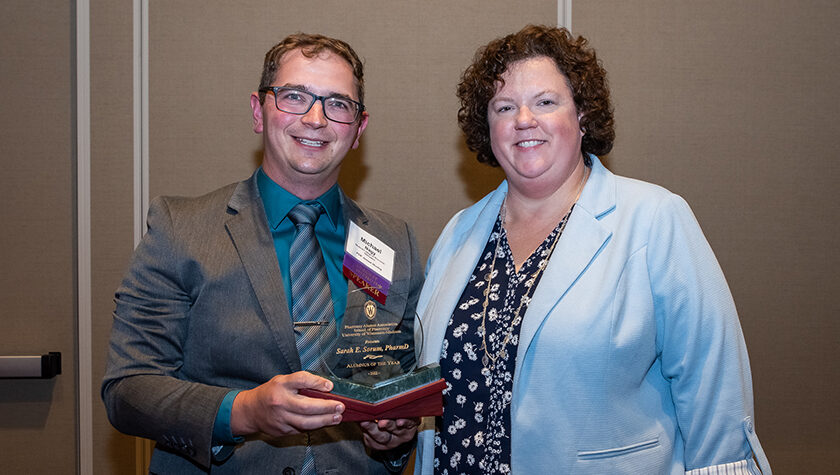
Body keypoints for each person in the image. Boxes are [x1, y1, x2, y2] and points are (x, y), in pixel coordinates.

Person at [413, 25, 771, 474]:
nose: (524, 119)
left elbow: (713, 388)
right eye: (504, 107)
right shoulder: (459, 233)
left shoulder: (654, 218)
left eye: (545, 102)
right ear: (488, 127)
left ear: (582, 115)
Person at [102, 33, 421, 474]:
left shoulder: (393, 240)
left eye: (338, 104)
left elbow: (398, 380)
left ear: (358, 129)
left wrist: (395, 433)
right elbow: (128, 390)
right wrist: (243, 411)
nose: (315, 119)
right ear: (259, 110)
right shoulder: (181, 229)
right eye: (294, 96)